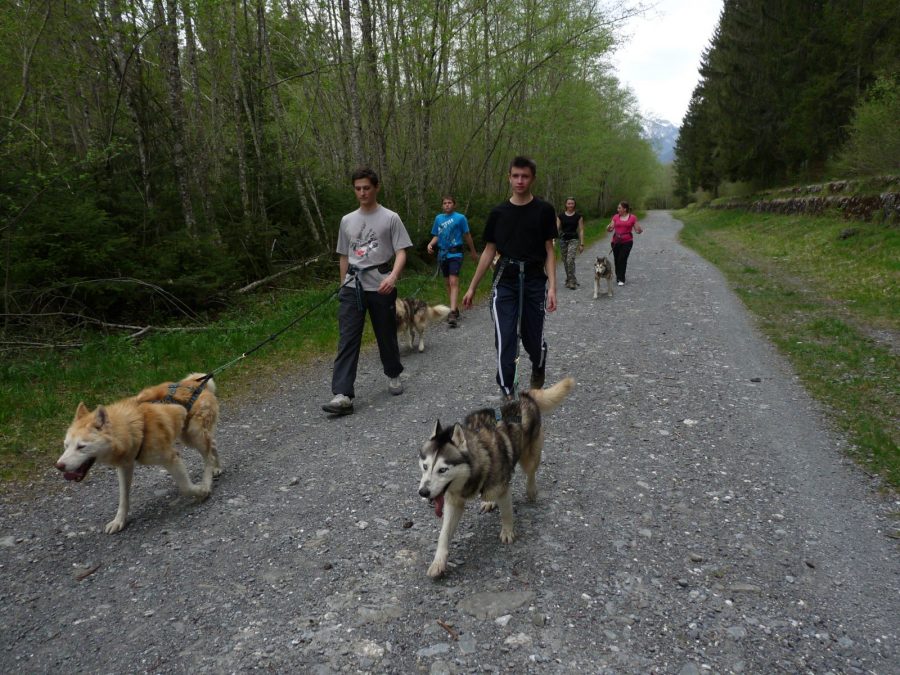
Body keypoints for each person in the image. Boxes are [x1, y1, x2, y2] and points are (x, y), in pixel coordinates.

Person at [462, 156, 557, 398]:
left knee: (532, 340)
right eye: (515, 176)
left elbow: (549, 250)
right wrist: (472, 287)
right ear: (509, 177)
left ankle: (538, 363)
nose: (520, 181)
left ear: (532, 179)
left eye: (525, 176)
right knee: (505, 339)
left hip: (535, 281)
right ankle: (508, 391)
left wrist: (553, 288)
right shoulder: (498, 213)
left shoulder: (544, 211)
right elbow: (489, 251)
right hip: (505, 281)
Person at [323, 167, 413, 416]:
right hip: (353, 287)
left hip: (381, 284)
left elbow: (402, 251)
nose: (362, 192)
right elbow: (343, 255)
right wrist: (342, 284)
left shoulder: (391, 218)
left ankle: (394, 373)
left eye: (366, 188)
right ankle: (342, 394)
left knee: (386, 334)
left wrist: (393, 277)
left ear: (376, 188)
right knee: (348, 338)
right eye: (358, 188)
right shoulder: (347, 220)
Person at [426, 196, 479, 327]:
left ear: (454, 205)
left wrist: (473, 251)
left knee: (453, 280)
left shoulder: (460, 218)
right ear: (442, 206)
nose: (447, 205)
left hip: (455, 252)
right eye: (445, 203)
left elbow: (467, 235)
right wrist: (430, 244)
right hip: (443, 253)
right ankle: (453, 307)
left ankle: (453, 312)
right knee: (447, 283)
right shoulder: (438, 219)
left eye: (449, 203)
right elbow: (437, 235)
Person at [606, 201, 643, 286]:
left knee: (622, 259)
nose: (617, 209)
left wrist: (639, 230)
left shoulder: (632, 217)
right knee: (616, 259)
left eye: (619, 208)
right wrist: (608, 228)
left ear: (625, 209)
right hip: (615, 241)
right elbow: (610, 228)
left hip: (627, 242)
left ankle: (621, 278)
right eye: (618, 208)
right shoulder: (615, 217)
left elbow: (638, 230)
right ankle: (618, 276)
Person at [556, 198, 584, 289]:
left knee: (570, 260)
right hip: (563, 239)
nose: (570, 205)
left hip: (573, 239)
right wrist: (553, 239)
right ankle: (570, 279)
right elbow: (557, 228)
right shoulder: (560, 216)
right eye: (569, 203)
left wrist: (582, 244)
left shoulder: (578, 216)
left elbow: (581, 230)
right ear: (566, 204)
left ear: (574, 205)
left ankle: (571, 282)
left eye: (572, 203)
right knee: (565, 261)